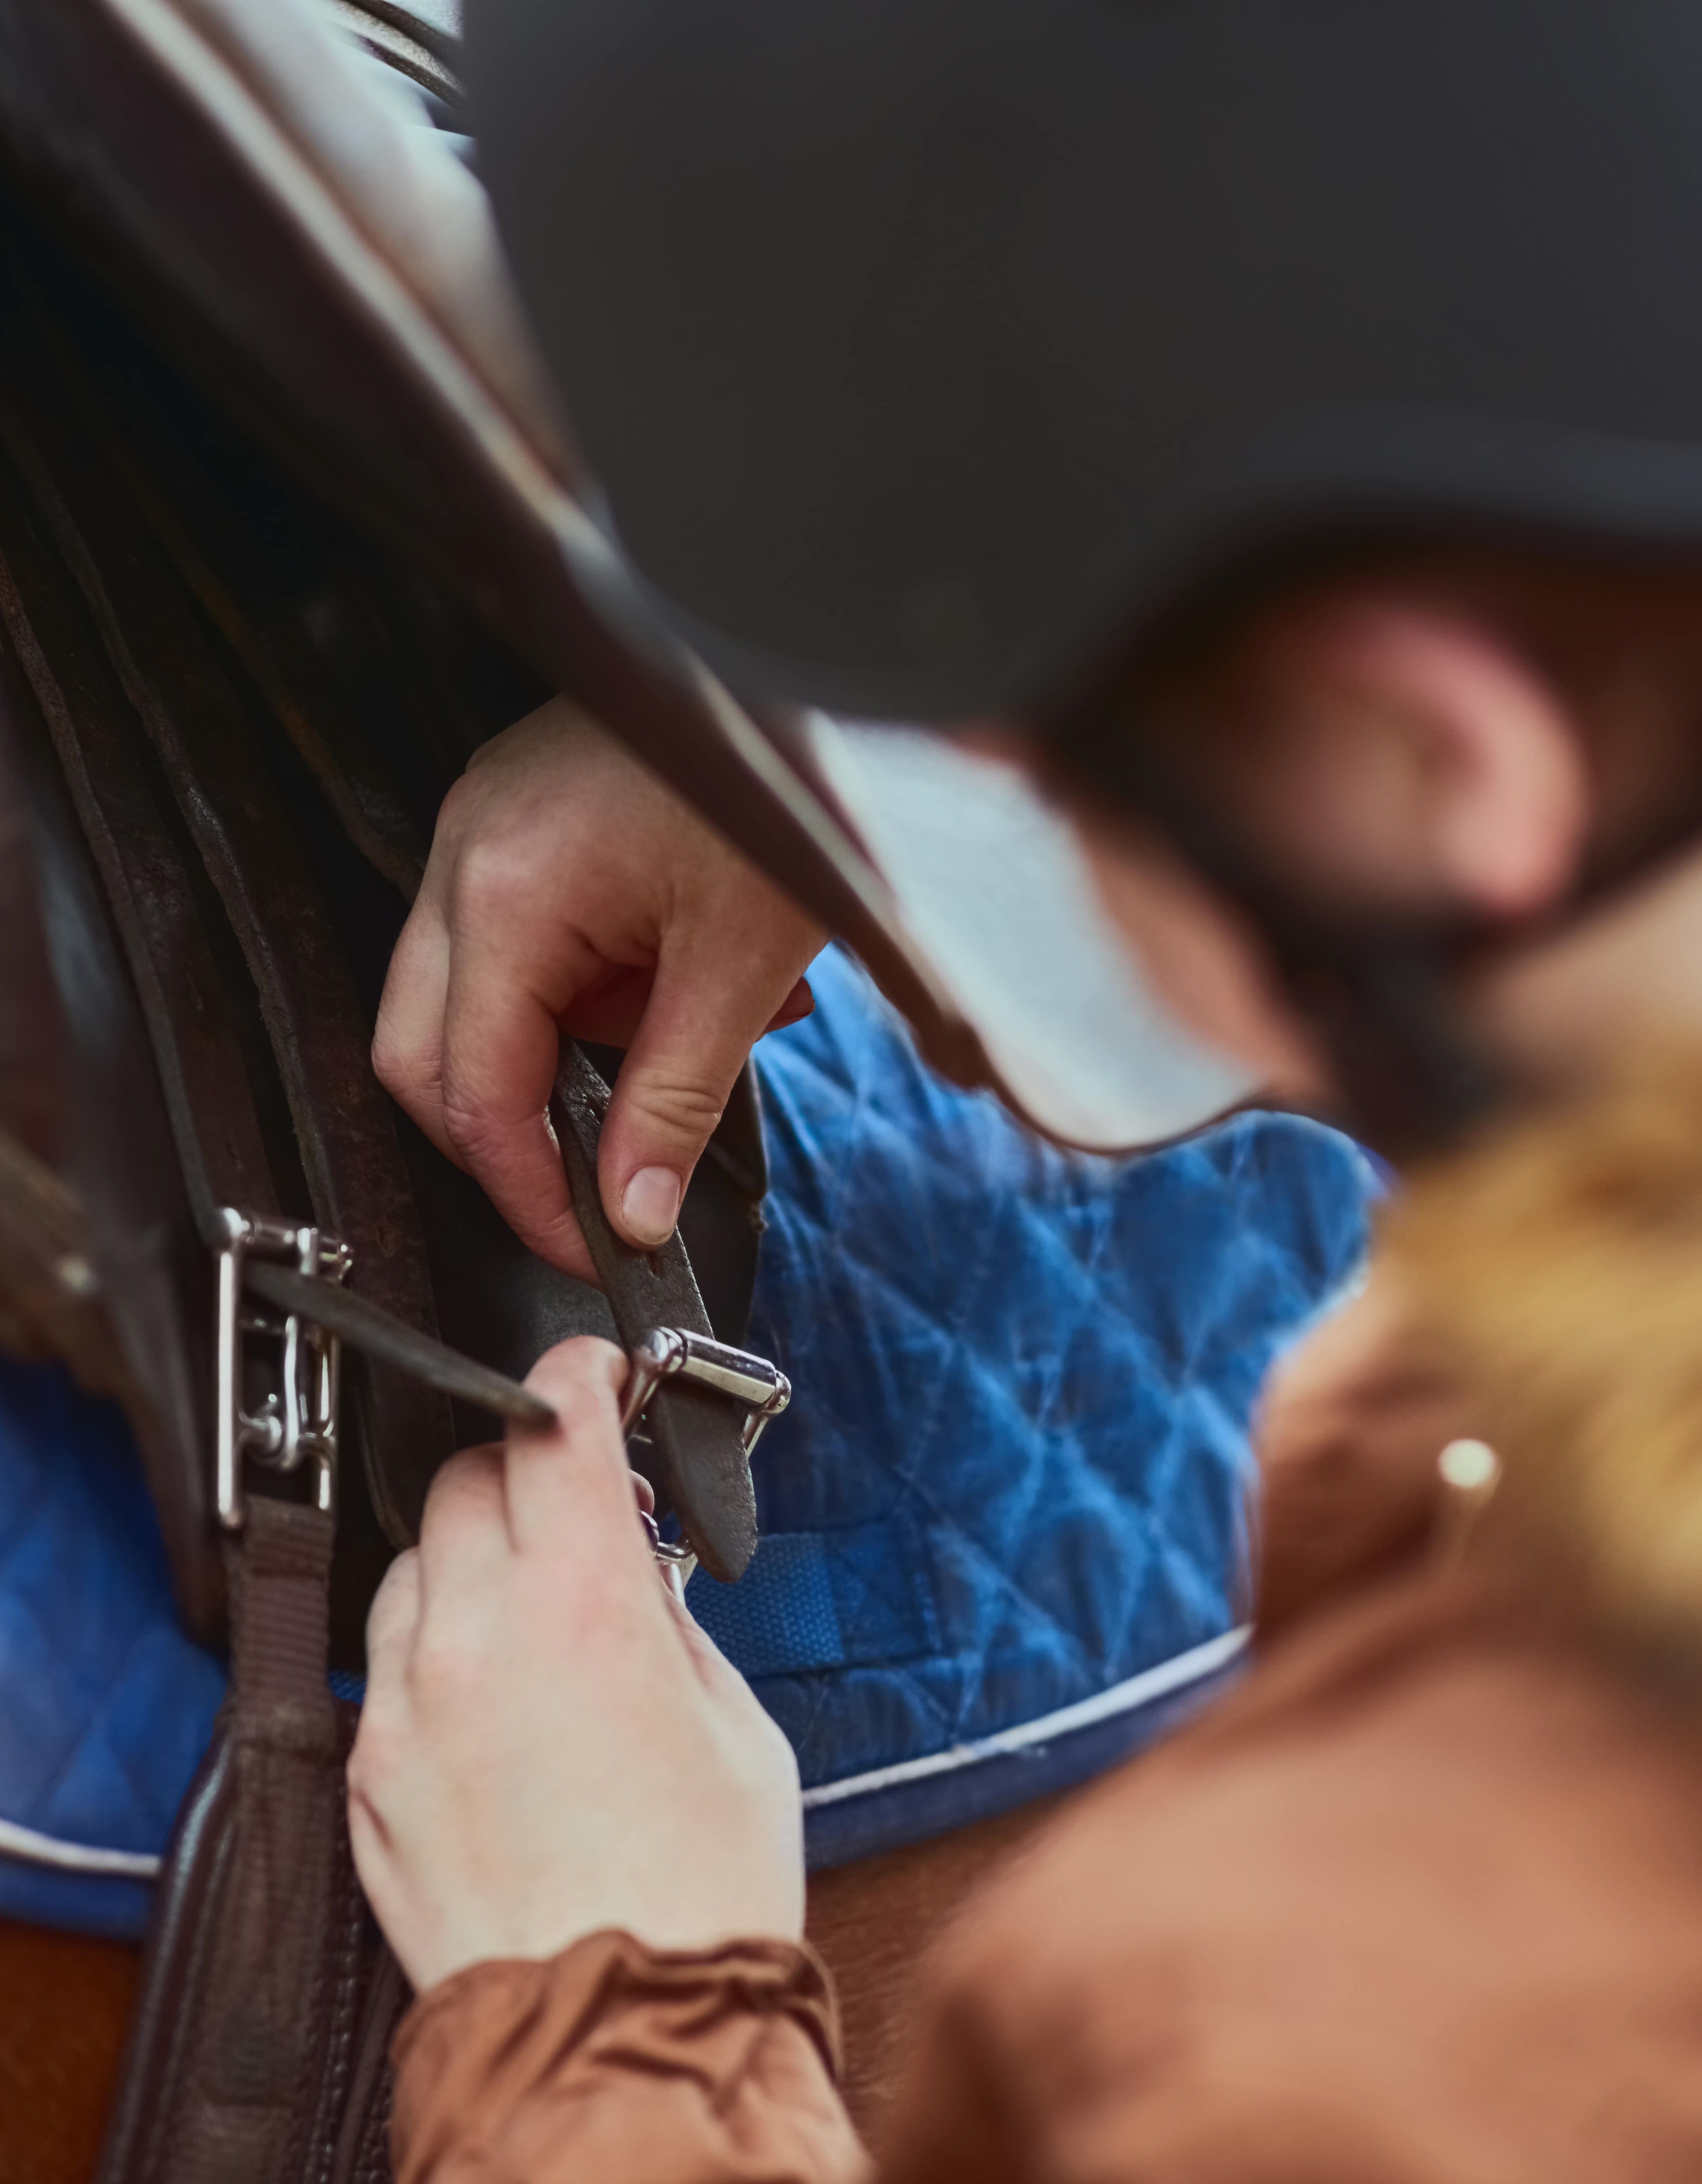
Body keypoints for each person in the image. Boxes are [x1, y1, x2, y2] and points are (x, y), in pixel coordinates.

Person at [349, 5, 1702, 2177]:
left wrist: (621, 2016)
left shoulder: (1344, 2048)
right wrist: (807, 759)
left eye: (1055, 793)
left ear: (1434, 764)